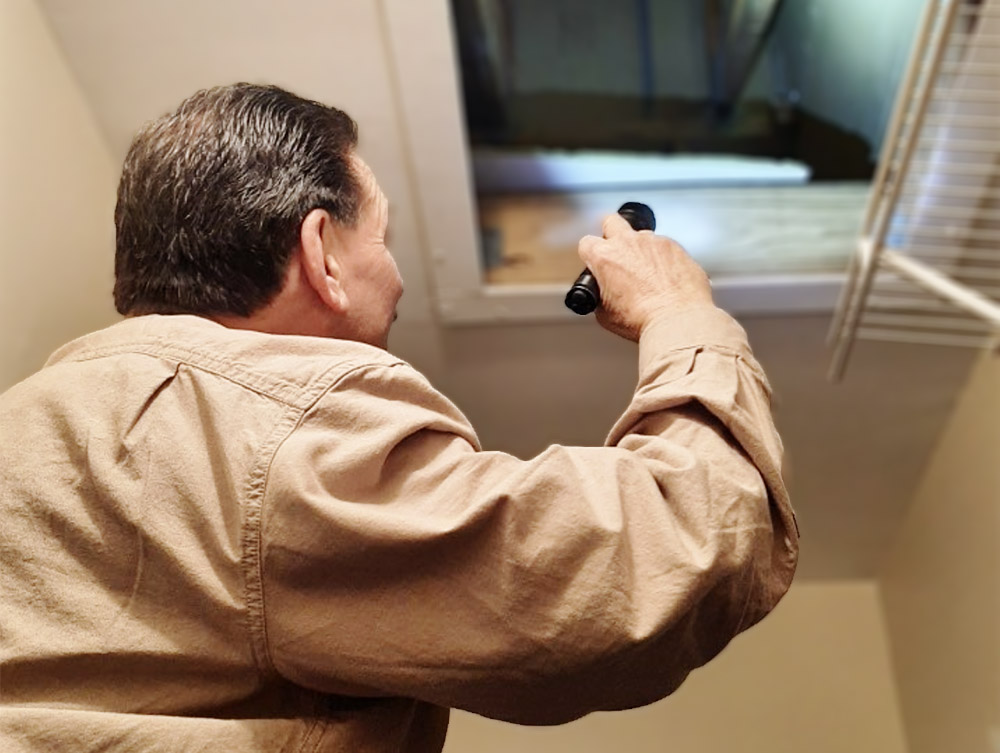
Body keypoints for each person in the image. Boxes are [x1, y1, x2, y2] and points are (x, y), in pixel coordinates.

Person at [0, 83, 797, 753]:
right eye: (381, 238)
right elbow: (672, 554)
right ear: (322, 255)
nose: (401, 281)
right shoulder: (274, 432)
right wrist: (678, 312)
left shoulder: (32, 423)